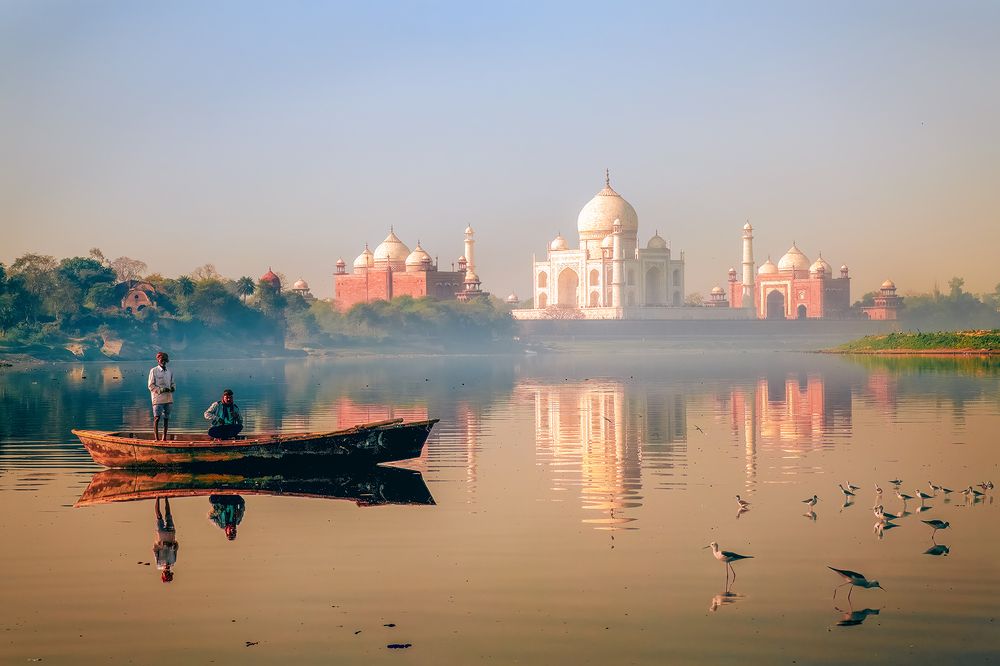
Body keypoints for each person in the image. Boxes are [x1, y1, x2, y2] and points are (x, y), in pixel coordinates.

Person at [148, 351, 175, 441]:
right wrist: (160, 390)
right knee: (157, 418)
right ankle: (156, 438)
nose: (163, 361)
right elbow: (151, 385)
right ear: (158, 360)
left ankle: (164, 438)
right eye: (161, 360)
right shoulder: (154, 371)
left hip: (168, 398)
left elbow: (173, 383)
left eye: (165, 360)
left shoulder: (169, 371)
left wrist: (173, 388)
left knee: (166, 418)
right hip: (158, 399)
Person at [153, 497, 179, 583]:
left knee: (159, 517)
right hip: (171, 535)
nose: (167, 571)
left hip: (162, 536)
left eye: (166, 574)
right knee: (168, 515)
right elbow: (176, 548)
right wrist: (172, 545)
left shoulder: (159, 564)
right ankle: (166, 497)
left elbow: (155, 550)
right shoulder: (173, 562)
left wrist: (161, 544)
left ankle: (157, 497)